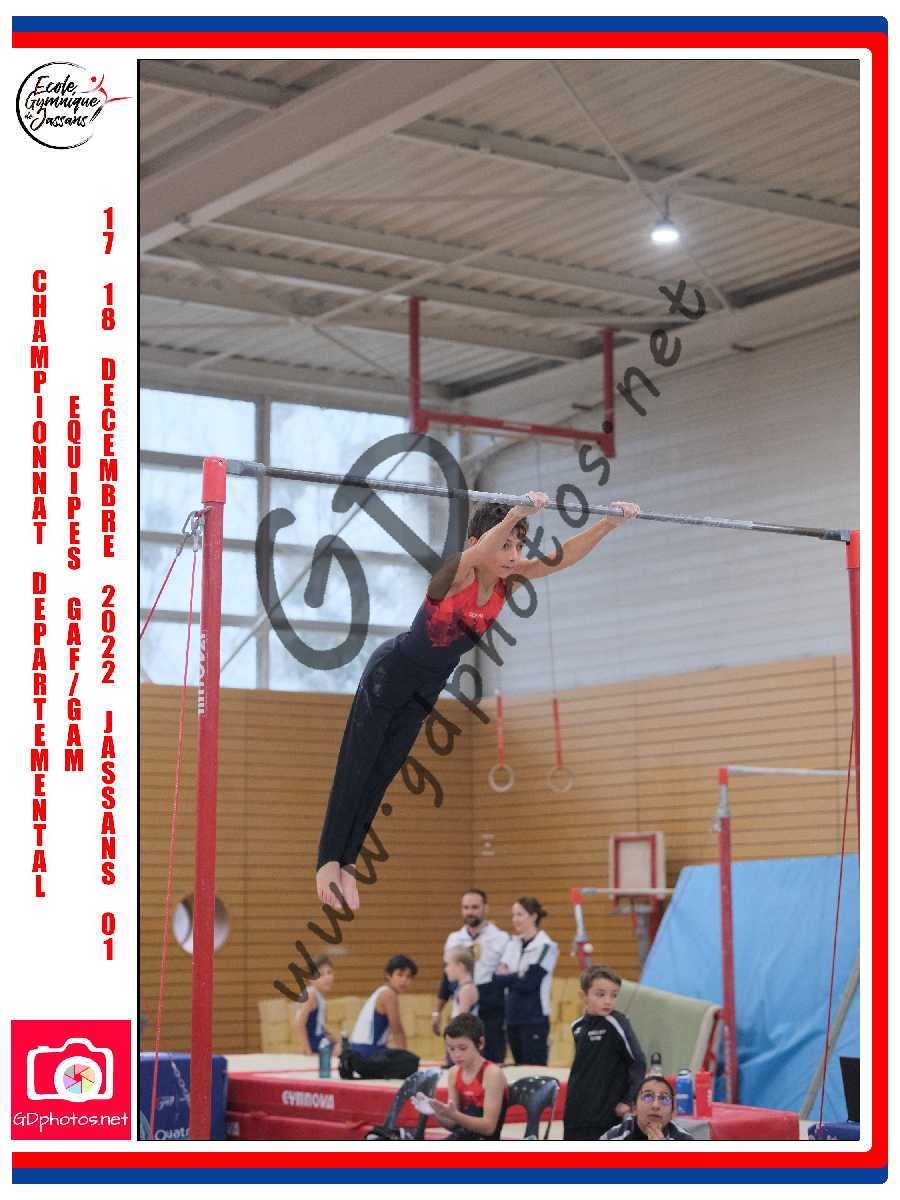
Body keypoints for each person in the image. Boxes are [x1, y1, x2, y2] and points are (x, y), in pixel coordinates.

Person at [316, 494, 641, 909]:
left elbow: (561, 559)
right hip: (390, 675)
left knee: (383, 772)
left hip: (426, 688)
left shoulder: (508, 580)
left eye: (518, 545)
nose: (514, 555)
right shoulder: (457, 573)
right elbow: (478, 552)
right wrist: (514, 514)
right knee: (357, 766)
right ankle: (327, 861)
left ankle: (348, 861)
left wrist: (607, 525)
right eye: (505, 545)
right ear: (477, 543)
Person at [562, 965, 647, 1140]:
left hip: (606, 1113)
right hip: (576, 1112)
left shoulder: (618, 1023)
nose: (608, 1001)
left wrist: (628, 1100)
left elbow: (638, 1062)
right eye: (600, 995)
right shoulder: (576, 1027)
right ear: (583, 996)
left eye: (614, 995)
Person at [433, 890, 510, 1063]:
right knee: (458, 1061)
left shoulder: (501, 938)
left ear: (485, 908)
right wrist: (437, 1011)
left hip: (491, 1013)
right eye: (466, 907)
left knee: (490, 1063)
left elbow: (505, 978)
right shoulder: (454, 939)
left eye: (475, 907)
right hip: (461, 1001)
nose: (470, 912)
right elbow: (446, 979)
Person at [493, 897, 559, 1065]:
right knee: (519, 1068)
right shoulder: (512, 944)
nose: (515, 919)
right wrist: (518, 975)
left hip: (534, 1018)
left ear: (534, 916)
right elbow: (497, 979)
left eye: (520, 914)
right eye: (513, 915)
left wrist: (510, 976)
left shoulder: (546, 946)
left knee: (535, 1068)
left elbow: (530, 982)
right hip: (512, 1017)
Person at [427, 1014, 509, 1140]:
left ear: (480, 1043)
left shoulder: (492, 1074)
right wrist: (433, 1113)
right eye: (451, 1049)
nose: (456, 1055)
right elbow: (453, 1124)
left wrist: (454, 1115)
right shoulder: (454, 1073)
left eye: (463, 1048)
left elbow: (489, 1128)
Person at [349, 955, 417, 1057]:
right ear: (388, 975)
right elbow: (397, 1031)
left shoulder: (381, 991)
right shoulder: (389, 994)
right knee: (410, 1060)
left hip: (360, 1049)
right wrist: (405, 1059)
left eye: (408, 977)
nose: (404, 980)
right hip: (367, 1051)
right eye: (400, 975)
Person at [600, 1074, 695, 1140]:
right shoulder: (613, 1138)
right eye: (648, 1097)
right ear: (634, 1108)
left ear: (672, 1112)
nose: (656, 1105)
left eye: (664, 1099)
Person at [291, 954, 335, 1055]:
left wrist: (330, 1037)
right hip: (314, 1042)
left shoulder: (317, 995)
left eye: (329, 972)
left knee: (344, 1046)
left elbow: (318, 1026)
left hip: (318, 1038)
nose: (327, 977)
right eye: (321, 975)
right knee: (344, 1051)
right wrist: (307, 1050)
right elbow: (299, 1023)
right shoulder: (311, 995)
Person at [446, 947, 479, 1017]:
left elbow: (462, 1021)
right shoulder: (463, 988)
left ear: (460, 966)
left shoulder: (466, 990)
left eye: (448, 964)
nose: (446, 969)